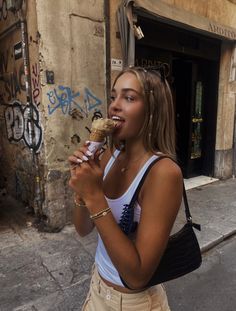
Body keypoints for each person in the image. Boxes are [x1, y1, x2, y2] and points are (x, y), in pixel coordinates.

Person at [68, 66, 183, 310]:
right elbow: (82, 228)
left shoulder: (163, 173)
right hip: (97, 288)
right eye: (113, 97)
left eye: (129, 97)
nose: (114, 106)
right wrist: (82, 188)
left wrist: (95, 195)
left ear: (152, 110)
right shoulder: (109, 154)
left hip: (134, 303)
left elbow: (137, 275)